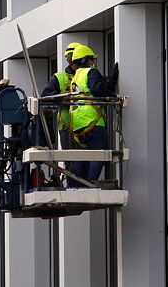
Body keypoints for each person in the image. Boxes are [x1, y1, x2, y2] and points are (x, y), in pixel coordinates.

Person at [67, 44, 119, 187]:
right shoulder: (91, 72)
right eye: (91, 59)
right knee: (101, 153)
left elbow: (92, 87)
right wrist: (113, 96)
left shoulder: (76, 76)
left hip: (78, 124)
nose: (93, 62)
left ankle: (75, 185)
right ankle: (90, 183)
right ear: (85, 60)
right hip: (92, 122)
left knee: (82, 156)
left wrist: (110, 81)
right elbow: (97, 89)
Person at [41, 42, 81, 151]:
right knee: (71, 160)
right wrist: (62, 98)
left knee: (87, 160)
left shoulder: (87, 75)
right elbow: (45, 97)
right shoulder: (59, 77)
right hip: (67, 125)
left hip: (86, 124)